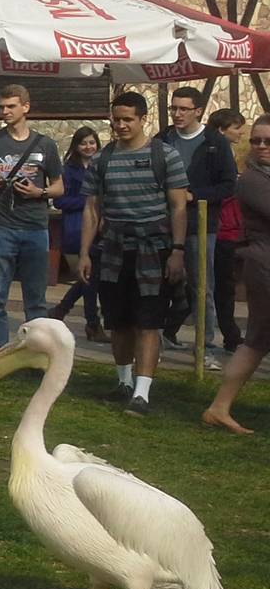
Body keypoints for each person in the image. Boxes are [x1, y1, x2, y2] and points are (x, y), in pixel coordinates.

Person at [80, 91, 189, 417]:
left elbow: (179, 206)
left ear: (143, 119)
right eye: (116, 119)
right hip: (113, 249)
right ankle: (124, 383)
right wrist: (84, 252)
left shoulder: (165, 156)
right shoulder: (103, 159)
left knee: (148, 323)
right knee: (119, 322)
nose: (121, 125)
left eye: (128, 119)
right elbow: (91, 209)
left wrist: (178, 251)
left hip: (153, 250)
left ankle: (142, 394)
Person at [0, 84, 64, 354]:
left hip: (35, 227)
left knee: (36, 299)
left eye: (11, 106)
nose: (5, 112)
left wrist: (40, 192)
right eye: (1, 107)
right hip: (0, 226)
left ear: (26, 107)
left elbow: (59, 187)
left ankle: (35, 352)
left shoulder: (45, 145)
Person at [159, 90, 239, 365]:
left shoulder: (214, 142)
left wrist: (195, 195)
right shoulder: (163, 139)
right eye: (174, 109)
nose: (177, 114)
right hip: (162, 223)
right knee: (158, 284)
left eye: (183, 109)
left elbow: (228, 184)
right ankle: (154, 339)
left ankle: (204, 348)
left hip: (200, 225)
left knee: (202, 286)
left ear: (198, 111)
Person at [204, 115, 270, 433]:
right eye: (256, 140)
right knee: (255, 341)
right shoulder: (253, 180)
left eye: (267, 141)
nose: (260, 146)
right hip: (264, 266)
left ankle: (219, 407)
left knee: (256, 342)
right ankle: (218, 407)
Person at [48, 126, 107, 342]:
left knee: (90, 277)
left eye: (92, 142)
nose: (89, 147)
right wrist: (88, 202)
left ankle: (61, 310)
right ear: (76, 146)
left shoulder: (102, 165)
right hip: (76, 228)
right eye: (84, 143)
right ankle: (92, 323)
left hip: (99, 229)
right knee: (89, 277)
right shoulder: (69, 170)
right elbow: (60, 200)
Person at [214, 110, 250, 353]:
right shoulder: (216, 154)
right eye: (236, 127)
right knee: (222, 286)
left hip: (232, 230)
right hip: (223, 230)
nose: (241, 133)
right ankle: (230, 335)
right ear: (222, 130)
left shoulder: (226, 152)